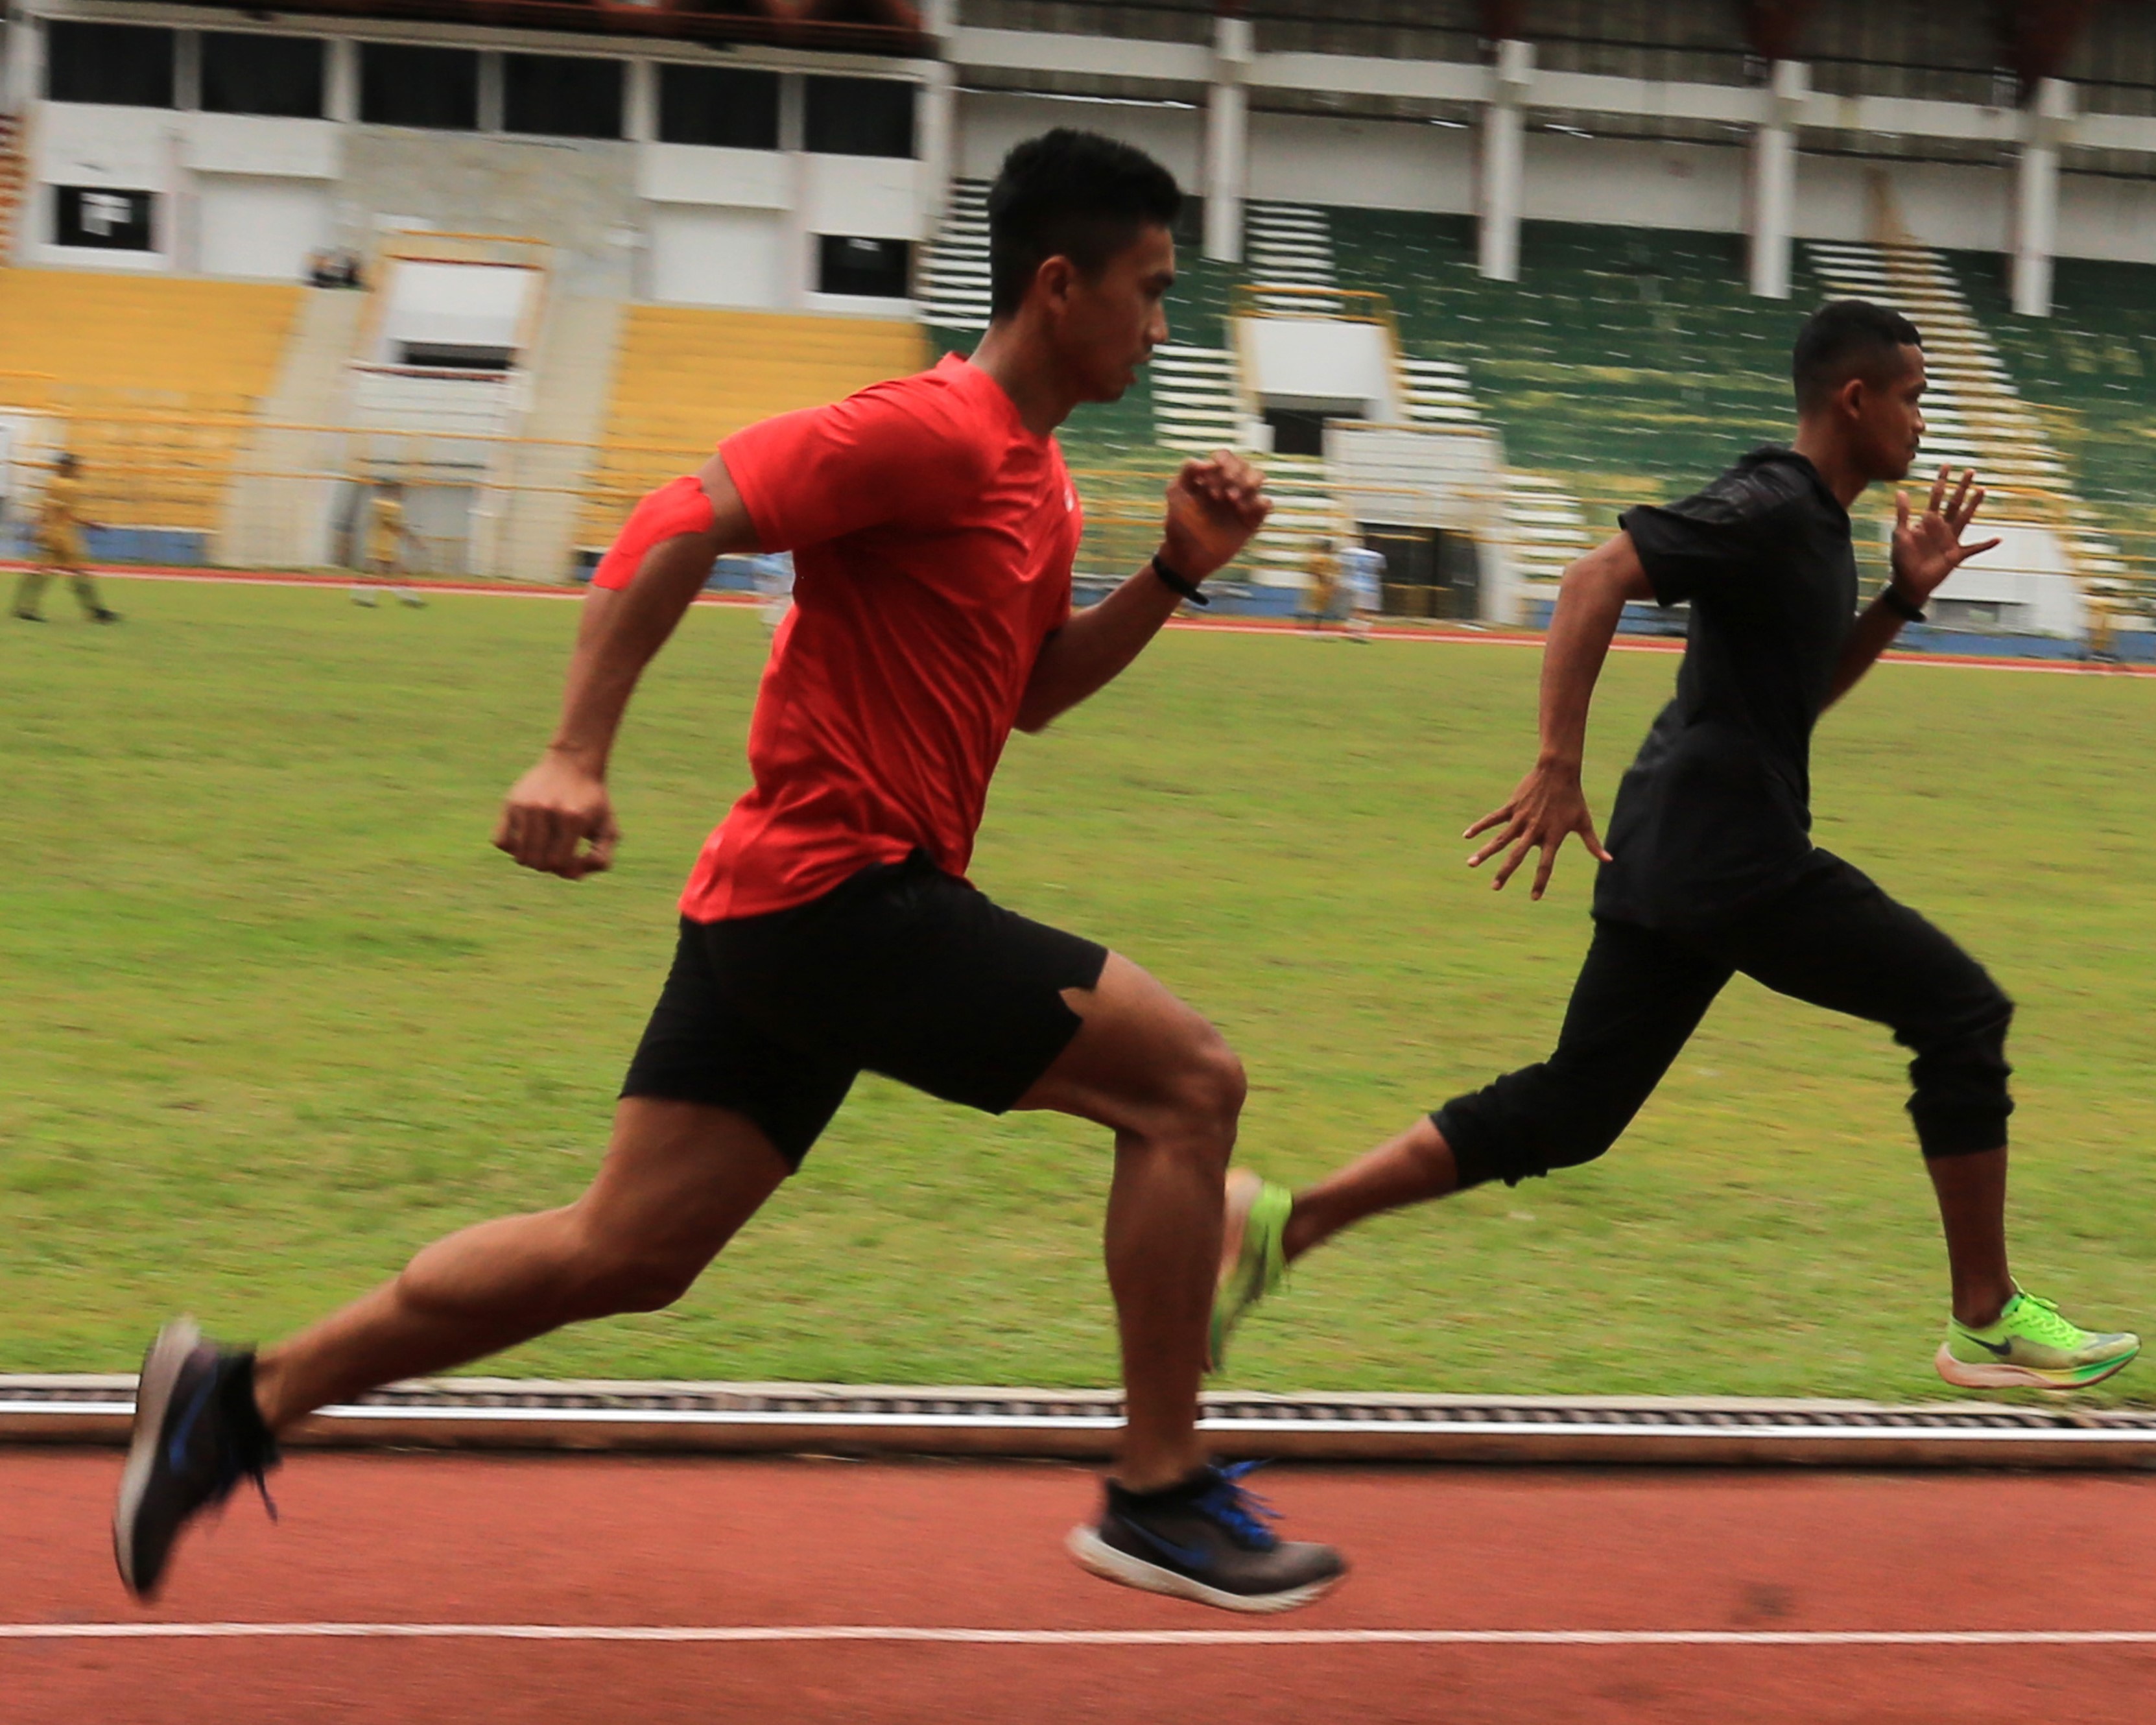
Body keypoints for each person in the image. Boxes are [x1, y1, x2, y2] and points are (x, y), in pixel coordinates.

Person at [113, 128, 1345, 1617]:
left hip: (785, 908)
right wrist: (574, 753)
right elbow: (677, 516)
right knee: (1188, 1084)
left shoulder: (1038, 480)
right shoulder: (932, 428)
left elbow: (1029, 695)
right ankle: (1158, 1493)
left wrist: (1173, 572)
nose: (1159, 326)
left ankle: (235, 1401)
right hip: (845, 899)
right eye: (1149, 290)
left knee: (625, 1250)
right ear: (1057, 285)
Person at [1209, 300, 2139, 1396]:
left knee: (1572, 1109)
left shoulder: (1815, 527)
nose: (1921, 422)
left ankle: (1284, 1222)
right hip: (1729, 855)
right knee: (1960, 1012)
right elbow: (1591, 575)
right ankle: (1983, 1316)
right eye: (1911, 398)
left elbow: (1795, 699)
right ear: (1854, 399)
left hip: (1677, 849)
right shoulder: (1771, 502)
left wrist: (1897, 599)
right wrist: (1556, 763)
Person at [14, 453, 121, 624]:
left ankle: (23, 607)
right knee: (78, 572)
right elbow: (66, 513)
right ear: (68, 467)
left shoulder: (52, 483)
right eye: (75, 467)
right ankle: (96, 612)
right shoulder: (70, 487)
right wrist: (90, 524)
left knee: (42, 571)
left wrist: (39, 528)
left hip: (50, 533)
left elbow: (46, 508)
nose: (78, 470)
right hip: (63, 536)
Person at [353, 482, 423, 608]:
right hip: (383, 544)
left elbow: (390, 523)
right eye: (401, 491)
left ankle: (361, 597)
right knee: (390, 572)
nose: (403, 494)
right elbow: (392, 524)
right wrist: (411, 538)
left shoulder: (376, 504)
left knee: (380, 572)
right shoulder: (390, 506)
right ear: (394, 491)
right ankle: (408, 599)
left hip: (379, 542)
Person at [1338, 538, 1384, 643]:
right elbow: (1380, 570)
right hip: (1369, 585)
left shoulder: (1354, 553)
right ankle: (1361, 632)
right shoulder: (1377, 556)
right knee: (1368, 611)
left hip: (1354, 583)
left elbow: (1344, 563)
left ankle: (1352, 628)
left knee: (1357, 609)